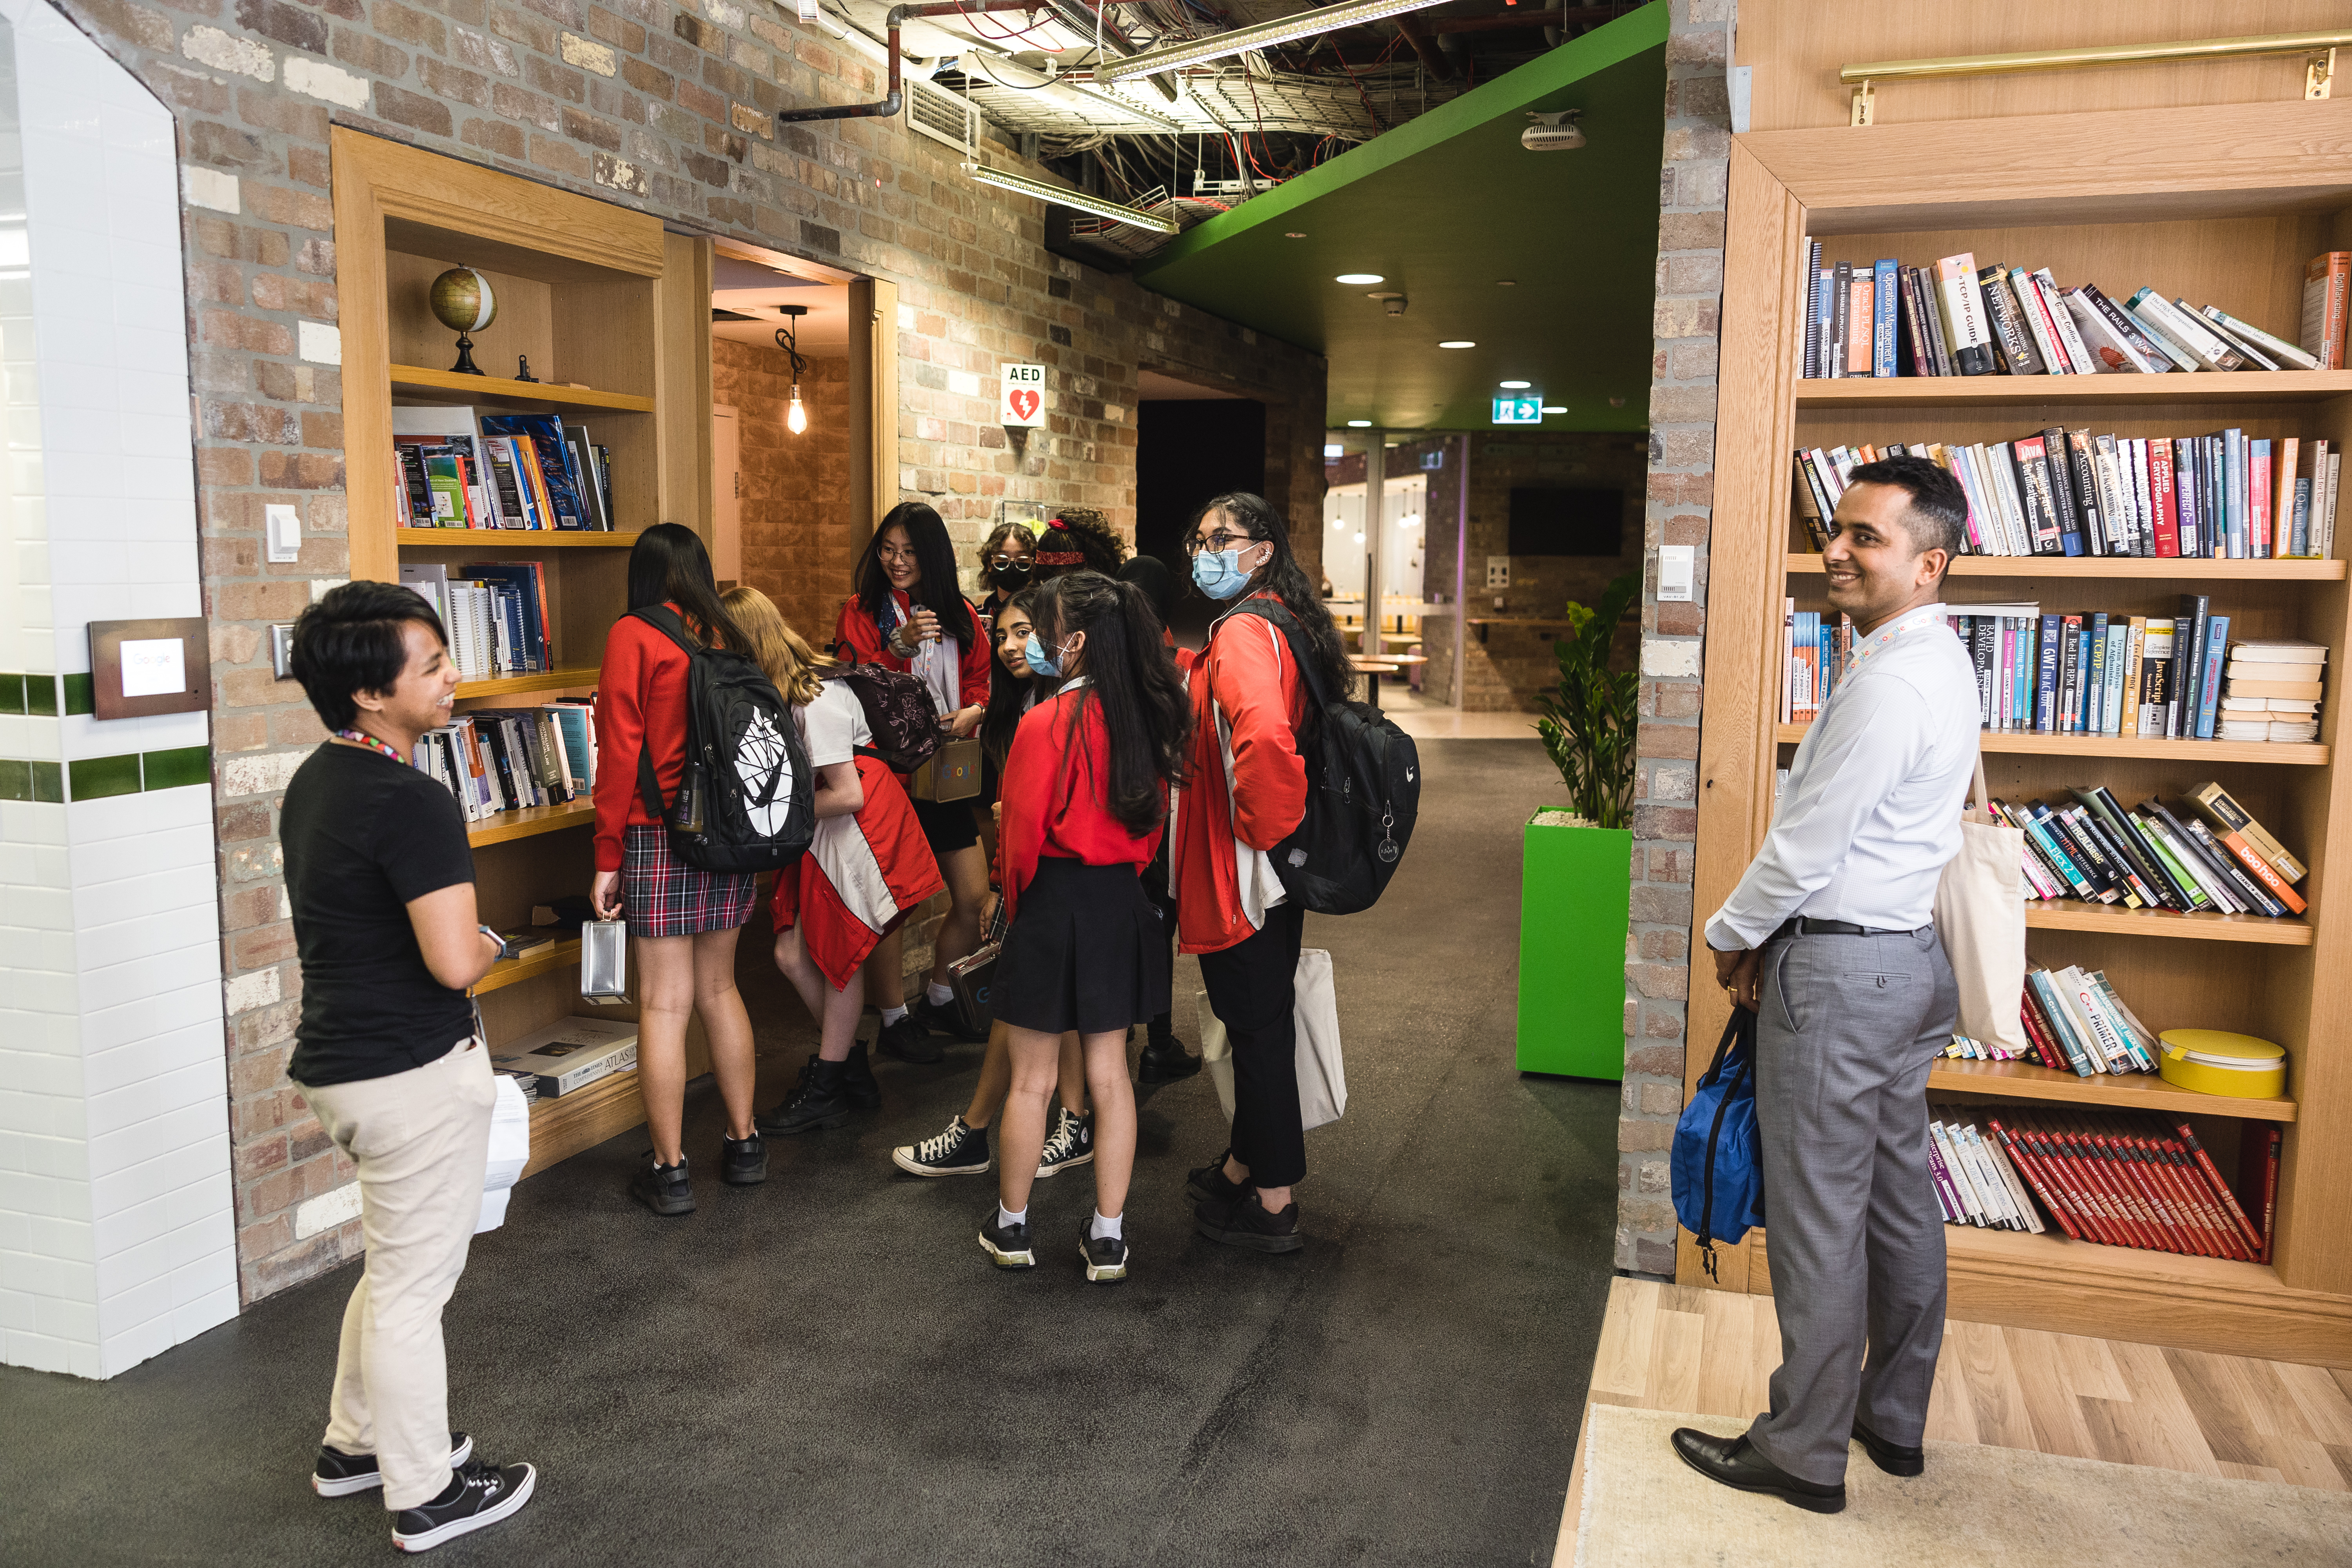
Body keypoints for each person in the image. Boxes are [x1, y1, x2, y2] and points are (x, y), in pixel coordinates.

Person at [1675, 454, 1977, 1514]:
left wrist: (1728, 935)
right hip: (1904, 969)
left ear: (1929, 564)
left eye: (1869, 538)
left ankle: (1802, 1451)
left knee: (1818, 1220)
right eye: (1836, 530)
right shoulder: (1942, 660)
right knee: (1897, 1203)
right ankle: (1889, 1420)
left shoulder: (1890, 680)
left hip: (1843, 976)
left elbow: (1807, 845)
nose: (1838, 551)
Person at [282, 581, 535, 1552]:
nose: (451, 676)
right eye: (430, 664)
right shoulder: (412, 798)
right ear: (371, 696)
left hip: (346, 1068)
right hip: (410, 1075)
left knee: (392, 1273)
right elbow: (451, 957)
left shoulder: (318, 779)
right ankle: (425, 1493)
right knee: (413, 1292)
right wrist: (493, 940)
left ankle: (354, 1446)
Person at [978, 572, 1191, 1281]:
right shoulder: (1147, 717)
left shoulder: (1045, 724)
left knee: (1032, 1081)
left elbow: (1022, 840)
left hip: (1053, 902)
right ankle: (1108, 1237)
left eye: (1041, 629)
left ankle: (1011, 1228)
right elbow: (1156, 826)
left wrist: (1012, 900)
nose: (1031, 641)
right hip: (1119, 905)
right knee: (1111, 1077)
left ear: (1073, 642)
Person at [1167, 492, 1355, 1254]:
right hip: (1269, 865)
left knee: (1257, 1026)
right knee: (1259, 1015)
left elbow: (1268, 743)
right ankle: (1246, 1163)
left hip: (1246, 865)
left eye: (1223, 538)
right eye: (1200, 537)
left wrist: (1258, 838)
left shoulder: (1245, 630)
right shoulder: (1280, 623)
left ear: (1263, 549)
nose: (1206, 550)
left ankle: (1274, 1201)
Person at [720, 587, 946, 1134]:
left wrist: (767, 820)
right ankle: (845, 1068)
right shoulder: (791, 688)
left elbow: (848, 794)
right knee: (792, 953)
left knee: (832, 957)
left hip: (853, 824)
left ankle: (829, 1084)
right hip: (831, 823)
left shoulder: (810, 697)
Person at [591, 523, 764, 1218]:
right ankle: (745, 1144)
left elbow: (616, 756)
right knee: (720, 989)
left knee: (665, 1002)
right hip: (728, 834)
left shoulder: (633, 635)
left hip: (658, 836)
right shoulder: (729, 634)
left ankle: (670, 1172)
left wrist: (607, 858)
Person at [893, 586, 1095, 1181]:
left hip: (1061, 878)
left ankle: (985, 1131)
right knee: (1045, 1007)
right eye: (1002, 634)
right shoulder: (1025, 703)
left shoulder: (1071, 703)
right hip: (1039, 878)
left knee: (1034, 1005)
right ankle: (1034, 1126)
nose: (1011, 646)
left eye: (1024, 632)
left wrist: (1004, 886)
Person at [834, 501, 992, 1063]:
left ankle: (942, 997)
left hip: (944, 769)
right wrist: (896, 647)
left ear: (933, 557)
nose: (897, 562)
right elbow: (852, 686)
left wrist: (974, 709)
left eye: (909, 552)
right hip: (886, 776)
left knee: (974, 897)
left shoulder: (960, 613)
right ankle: (895, 1019)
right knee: (894, 906)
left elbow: (979, 680)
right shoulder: (862, 611)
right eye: (888, 550)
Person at [1115, 553, 1200, 1083]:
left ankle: (1119, 1025)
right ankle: (1160, 1043)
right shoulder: (1177, 662)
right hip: (1159, 819)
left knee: (1123, 924)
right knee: (1157, 923)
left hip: (1108, 818)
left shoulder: (1099, 655)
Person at [973, 519, 1036, 633]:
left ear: (1034, 564)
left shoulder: (1045, 614)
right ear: (989, 565)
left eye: (1022, 559)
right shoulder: (977, 617)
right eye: (1002, 559)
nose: (1011, 566)